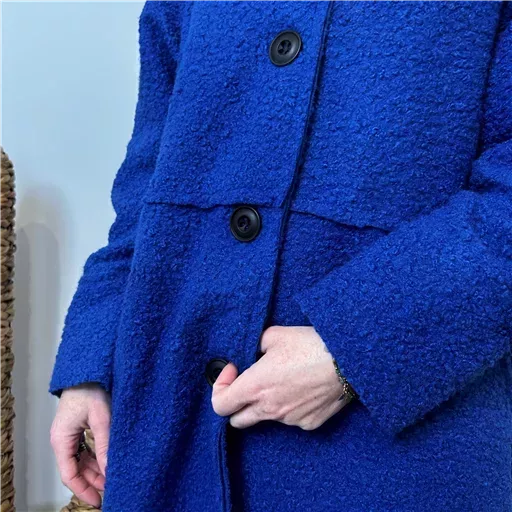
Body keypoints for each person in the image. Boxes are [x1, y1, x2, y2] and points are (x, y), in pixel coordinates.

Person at [49, 1, 512, 511]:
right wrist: (93, 365)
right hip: (171, 422)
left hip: (399, 446)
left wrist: (353, 348)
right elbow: (148, 181)